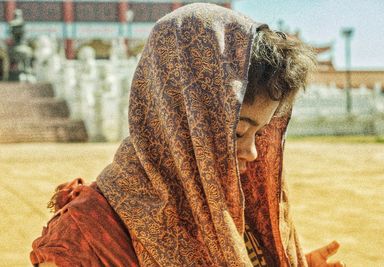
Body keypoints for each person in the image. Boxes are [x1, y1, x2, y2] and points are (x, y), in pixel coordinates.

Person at [31, 3, 344, 267]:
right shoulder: (86, 239)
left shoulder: (235, 210)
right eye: (237, 133)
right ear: (177, 122)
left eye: (259, 134)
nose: (253, 154)